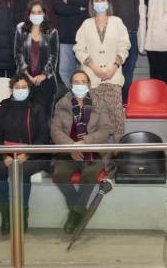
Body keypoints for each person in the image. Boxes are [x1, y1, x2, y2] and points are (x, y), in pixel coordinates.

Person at [51, 69, 111, 234]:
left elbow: (106, 130)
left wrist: (85, 142)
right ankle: (79, 209)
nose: (79, 85)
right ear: (71, 85)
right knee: (59, 174)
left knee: (91, 172)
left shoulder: (99, 103)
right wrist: (72, 147)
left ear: (89, 85)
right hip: (68, 152)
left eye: (83, 82)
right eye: (76, 82)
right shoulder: (62, 103)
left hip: (92, 152)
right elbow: (55, 131)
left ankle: (74, 214)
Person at [0, 75, 50, 234]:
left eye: (24, 87)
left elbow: (43, 136)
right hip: (6, 154)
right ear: (12, 89)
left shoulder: (37, 108)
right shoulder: (3, 109)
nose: (21, 90)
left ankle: (22, 215)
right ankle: (6, 216)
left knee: (23, 171)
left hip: (32, 155)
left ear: (29, 90)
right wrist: (4, 156)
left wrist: (27, 154)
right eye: (18, 87)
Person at [74, 0, 130, 141]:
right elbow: (79, 49)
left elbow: (124, 46)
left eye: (102, 0)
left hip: (113, 78)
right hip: (92, 80)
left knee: (117, 121)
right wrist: (94, 67)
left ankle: (118, 158)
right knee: (96, 123)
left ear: (108, 2)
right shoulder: (86, 24)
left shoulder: (117, 22)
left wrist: (114, 67)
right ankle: (101, 163)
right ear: (92, 4)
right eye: (96, 0)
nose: (100, 3)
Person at [101, 0, 144, 103]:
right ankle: (113, 102)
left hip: (135, 32)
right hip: (117, 34)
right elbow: (106, 8)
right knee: (115, 70)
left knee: (129, 70)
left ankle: (125, 102)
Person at [14, 0, 59, 127]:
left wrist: (43, 75)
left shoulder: (52, 31)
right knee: (25, 120)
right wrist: (28, 76)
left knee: (44, 120)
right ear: (28, 14)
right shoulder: (21, 29)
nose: (36, 15)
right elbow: (18, 54)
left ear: (44, 14)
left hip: (46, 83)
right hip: (25, 81)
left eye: (39, 12)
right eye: (33, 12)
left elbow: (53, 56)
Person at [54, 0, 97, 85]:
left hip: (87, 40)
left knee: (89, 73)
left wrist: (69, 0)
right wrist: (80, 8)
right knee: (66, 73)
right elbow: (58, 7)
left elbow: (89, 1)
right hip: (66, 39)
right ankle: (70, 102)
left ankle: (87, 102)